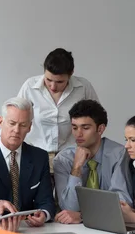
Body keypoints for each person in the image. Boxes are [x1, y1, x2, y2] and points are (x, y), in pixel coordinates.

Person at [0, 97, 56, 225]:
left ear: (30, 127)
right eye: (12, 123)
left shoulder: (39, 157)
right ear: (1, 121)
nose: (16, 130)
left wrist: (44, 214)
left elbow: (46, 200)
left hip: (31, 227)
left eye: (23, 125)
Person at [17, 48, 99, 176]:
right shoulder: (30, 86)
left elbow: (97, 119)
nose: (53, 86)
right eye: (48, 80)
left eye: (60, 82)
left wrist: (93, 149)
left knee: (70, 195)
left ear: (71, 73)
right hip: (36, 156)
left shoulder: (83, 87)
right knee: (39, 196)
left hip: (71, 155)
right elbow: (15, 116)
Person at [53, 99, 132, 224]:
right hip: (74, 231)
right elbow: (69, 208)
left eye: (85, 128)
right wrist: (76, 168)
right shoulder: (63, 160)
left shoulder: (119, 154)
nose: (78, 134)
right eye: (74, 127)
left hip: (110, 226)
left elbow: (122, 202)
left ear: (100, 129)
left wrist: (82, 216)